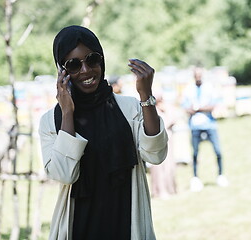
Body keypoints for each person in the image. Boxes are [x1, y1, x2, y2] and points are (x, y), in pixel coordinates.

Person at [38, 25, 168, 240]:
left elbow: (156, 154)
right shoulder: (51, 121)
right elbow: (64, 175)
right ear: (62, 70)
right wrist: (68, 112)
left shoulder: (129, 108)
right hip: (79, 227)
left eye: (92, 59)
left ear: (102, 59)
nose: (86, 70)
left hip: (126, 225)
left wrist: (146, 95)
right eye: (73, 64)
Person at [182, 67, 228, 192]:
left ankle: (220, 175)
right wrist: (191, 109)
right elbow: (185, 106)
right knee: (195, 153)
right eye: (196, 76)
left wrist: (200, 108)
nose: (198, 78)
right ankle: (196, 178)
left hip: (209, 124)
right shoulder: (188, 89)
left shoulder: (210, 88)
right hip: (195, 126)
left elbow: (215, 104)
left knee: (218, 151)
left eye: (200, 75)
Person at [149, 93, 177, 199]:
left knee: (169, 165)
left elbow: (172, 120)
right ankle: (159, 190)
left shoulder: (167, 108)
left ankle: (171, 188)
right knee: (157, 167)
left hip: (168, 139)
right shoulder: (151, 110)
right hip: (156, 142)